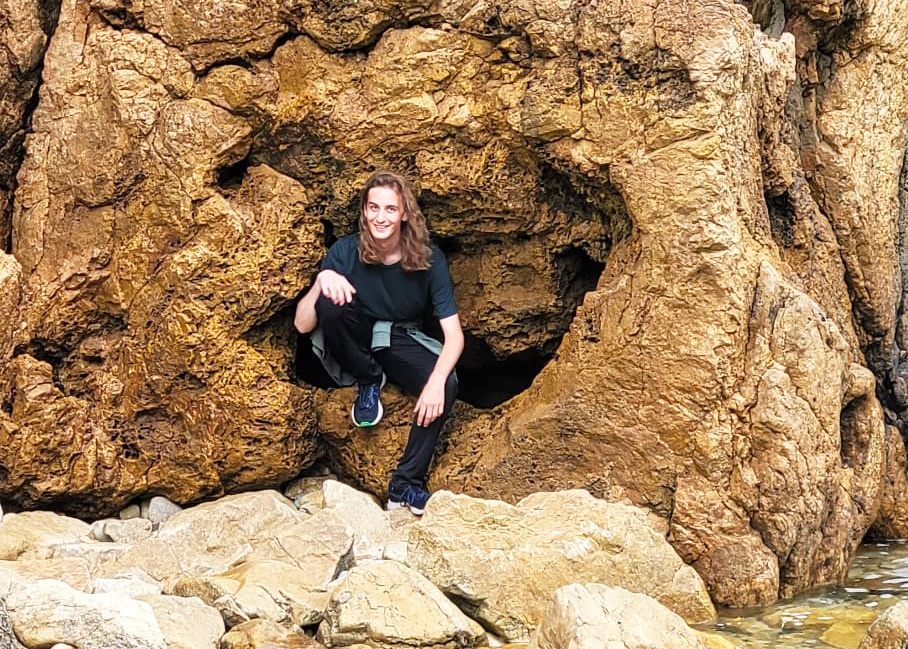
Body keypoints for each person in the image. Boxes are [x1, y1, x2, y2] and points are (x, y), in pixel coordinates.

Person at [294, 170, 464, 515]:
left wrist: (433, 385)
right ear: (364, 211)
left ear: (404, 214)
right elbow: (302, 324)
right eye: (374, 208)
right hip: (354, 338)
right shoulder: (345, 252)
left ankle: (405, 485)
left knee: (446, 382)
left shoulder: (429, 259)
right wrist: (322, 278)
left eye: (390, 209)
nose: (380, 217)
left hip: (397, 337)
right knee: (330, 302)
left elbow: (454, 336)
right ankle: (369, 380)